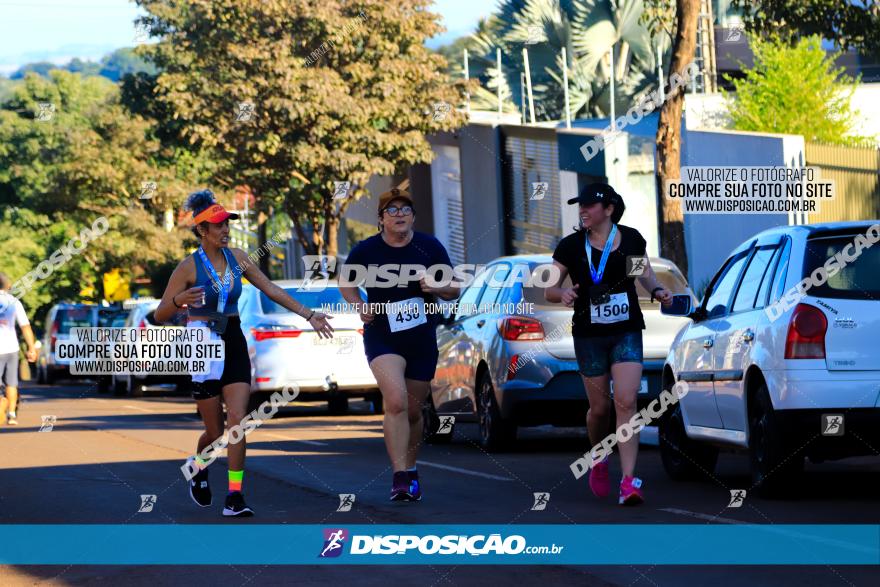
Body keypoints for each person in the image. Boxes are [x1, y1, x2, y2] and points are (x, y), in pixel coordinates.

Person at [154, 190, 334, 517]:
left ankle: (235, 496)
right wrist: (180, 301)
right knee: (215, 431)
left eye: (228, 224)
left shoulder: (238, 258)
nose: (226, 230)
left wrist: (309, 314)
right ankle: (198, 464)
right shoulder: (187, 268)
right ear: (202, 230)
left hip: (233, 337)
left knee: (237, 422)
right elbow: (160, 314)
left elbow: (271, 289)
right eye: (218, 225)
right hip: (202, 343)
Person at [545, 183, 672, 505]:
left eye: (589, 205)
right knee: (600, 409)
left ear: (609, 209)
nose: (583, 211)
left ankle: (629, 481)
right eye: (580, 207)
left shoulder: (630, 239)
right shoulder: (571, 246)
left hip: (626, 329)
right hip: (589, 334)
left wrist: (657, 291)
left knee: (627, 402)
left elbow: (642, 274)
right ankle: (599, 457)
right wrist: (562, 293)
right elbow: (547, 289)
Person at [339, 180, 459, 501]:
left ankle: (412, 466)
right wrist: (359, 305)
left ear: (413, 217)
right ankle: (400, 476)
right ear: (381, 219)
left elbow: (454, 290)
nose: (399, 215)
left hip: (420, 337)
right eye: (392, 211)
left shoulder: (429, 247)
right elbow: (346, 283)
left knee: (414, 412)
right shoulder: (366, 250)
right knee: (395, 401)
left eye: (406, 209)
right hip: (383, 336)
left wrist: (436, 287)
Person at [0, 272, 38, 426]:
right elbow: (25, 327)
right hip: (11, 348)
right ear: (7, 286)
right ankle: (12, 414)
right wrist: (31, 348)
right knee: (11, 383)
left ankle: (2, 405)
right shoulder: (14, 301)